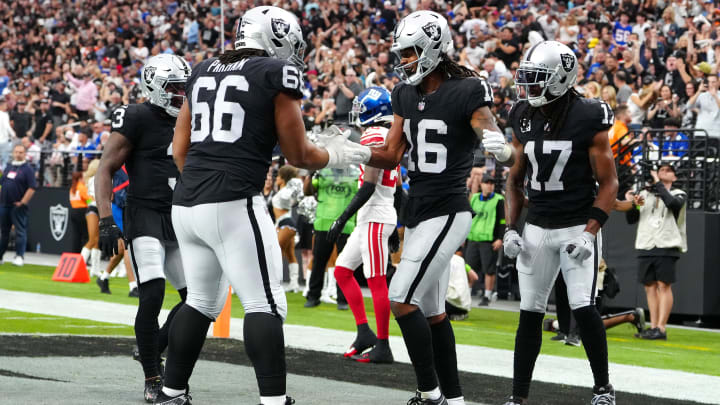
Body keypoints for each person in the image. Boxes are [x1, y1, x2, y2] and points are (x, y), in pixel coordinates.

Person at [156, 6, 367, 405]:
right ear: (274, 37)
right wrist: (336, 155)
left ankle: (171, 392)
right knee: (266, 302)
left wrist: (201, 185)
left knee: (200, 302)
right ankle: (273, 400)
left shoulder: (201, 69)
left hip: (186, 203)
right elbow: (299, 154)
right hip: (232, 200)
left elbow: (179, 149)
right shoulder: (275, 73)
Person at [351, 10, 502, 405]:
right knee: (433, 313)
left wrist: (497, 141)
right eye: (401, 54)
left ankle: (429, 392)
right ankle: (453, 399)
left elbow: (488, 126)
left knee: (402, 299)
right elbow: (392, 153)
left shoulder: (468, 89)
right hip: (417, 210)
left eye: (411, 52)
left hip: (449, 207)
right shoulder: (404, 94)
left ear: (434, 47)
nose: (404, 61)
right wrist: (349, 152)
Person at [483, 41, 618, 405]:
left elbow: (609, 183)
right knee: (529, 313)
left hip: (576, 223)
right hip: (539, 224)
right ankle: (518, 397)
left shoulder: (589, 114)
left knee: (583, 306)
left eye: (537, 79)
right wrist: (511, 228)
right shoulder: (522, 113)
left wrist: (591, 233)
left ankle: (603, 389)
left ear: (561, 79)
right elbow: (513, 180)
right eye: (527, 78)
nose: (529, 87)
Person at [94, 54, 191, 403]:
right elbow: (105, 168)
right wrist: (106, 219)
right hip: (146, 212)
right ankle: (153, 379)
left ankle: (155, 344)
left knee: (199, 300)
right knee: (152, 295)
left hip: (182, 214)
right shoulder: (135, 116)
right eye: (174, 88)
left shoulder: (193, 116)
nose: (182, 94)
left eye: (185, 86)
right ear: (154, 87)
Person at [327, 86, 398, 364]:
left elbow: (368, 185)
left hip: (375, 215)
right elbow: (400, 187)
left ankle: (383, 345)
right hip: (377, 214)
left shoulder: (373, 135)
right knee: (343, 272)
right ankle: (364, 333)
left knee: (376, 281)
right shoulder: (388, 135)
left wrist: (342, 217)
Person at [622, 163, 687, 340]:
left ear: (674, 177)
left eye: (668, 170)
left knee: (663, 285)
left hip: (666, 243)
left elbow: (672, 204)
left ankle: (662, 327)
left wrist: (658, 182)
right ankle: (653, 326)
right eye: (661, 170)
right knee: (649, 286)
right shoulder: (644, 194)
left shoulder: (679, 194)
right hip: (646, 243)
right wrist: (633, 204)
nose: (663, 172)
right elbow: (631, 219)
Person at [465, 173, 505, 306]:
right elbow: (467, 217)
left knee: (489, 269)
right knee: (468, 268)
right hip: (473, 238)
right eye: (487, 183)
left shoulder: (499, 199)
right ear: (481, 185)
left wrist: (500, 238)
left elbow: (502, 220)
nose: (489, 186)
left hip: (489, 240)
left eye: (492, 183)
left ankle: (487, 296)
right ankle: (466, 293)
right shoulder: (475, 198)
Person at [0, 144, 36, 266]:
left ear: (25, 154)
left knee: (20, 231)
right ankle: (0, 256)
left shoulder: (28, 169)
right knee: (4, 232)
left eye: (20, 152)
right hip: (4, 204)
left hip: (18, 205)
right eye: (16, 152)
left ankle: (19, 256)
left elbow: (32, 188)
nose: (18, 154)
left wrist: (23, 202)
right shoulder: (9, 166)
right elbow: (3, 183)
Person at [271, 165, 304, 293]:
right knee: (290, 254)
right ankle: (294, 284)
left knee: (276, 251)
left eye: (278, 176)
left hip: (286, 223)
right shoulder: (283, 190)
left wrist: (294, 186)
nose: (276, 179)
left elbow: (288, 198)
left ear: (283, 178)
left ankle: (275, 282)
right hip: (284, 223)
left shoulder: (285, 191)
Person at [80, 159, 102, 277]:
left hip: (100, 209)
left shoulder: (93, 179)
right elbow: (93, 198)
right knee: (93, 239)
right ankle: (79, 265)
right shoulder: (94, 179)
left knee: (98, 241)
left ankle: (95, 269)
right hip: (94, 209)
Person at [445, 248, 479, 322]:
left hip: (448, 302)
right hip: (465, 307)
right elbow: (475, 277)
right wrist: (467, 288)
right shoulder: (462, 261)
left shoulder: (444, 258)